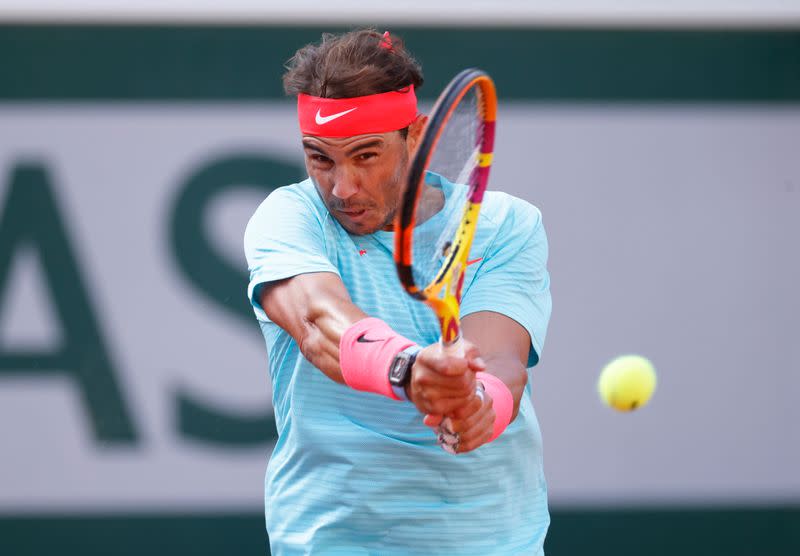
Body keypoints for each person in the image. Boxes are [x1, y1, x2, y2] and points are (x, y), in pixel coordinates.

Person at [244, 29, 552, 555]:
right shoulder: (289, 216)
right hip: (334, 541)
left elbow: (502, 358)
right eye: (320, 158)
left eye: (366, 156)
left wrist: (482, 407)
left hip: (489, 541)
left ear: (416, 135)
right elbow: (319, 323)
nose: (342, 187)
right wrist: (408, 371)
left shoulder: (506, 224)